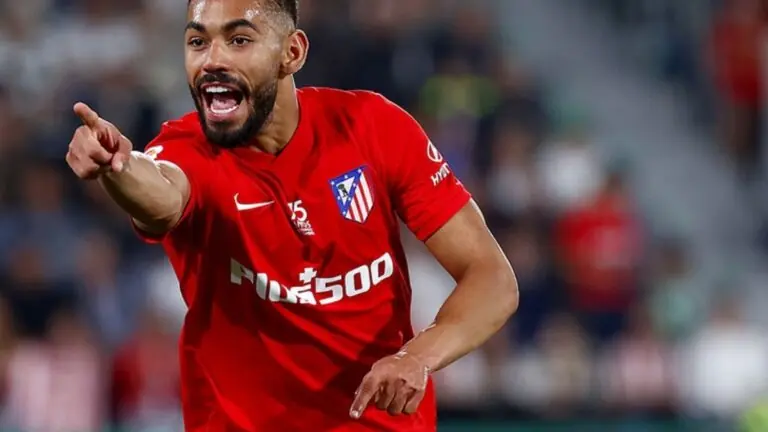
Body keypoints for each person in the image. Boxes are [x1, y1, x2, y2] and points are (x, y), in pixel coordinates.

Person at [64, 0, 519, 430]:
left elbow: (492, 278)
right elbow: (161, 197)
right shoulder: (186, 152)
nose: (212, 60)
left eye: (239, 40)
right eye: (198, 42)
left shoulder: (373, 127)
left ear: (292, 52)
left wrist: (417, 357)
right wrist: (118, 168)